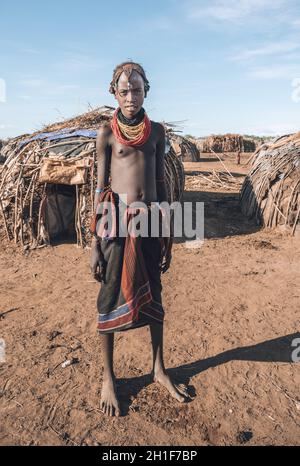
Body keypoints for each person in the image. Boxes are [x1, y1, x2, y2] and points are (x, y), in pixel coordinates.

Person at [90, 62, 190, 416]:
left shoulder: (158, 133)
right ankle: (108, 377)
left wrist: (167, 234)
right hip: (117, 224)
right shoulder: (107, 134)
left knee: (156, 299)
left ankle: (159, 368)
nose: (131, 96)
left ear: (147, 89)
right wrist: (96, 247)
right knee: (108, 298)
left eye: (137, 89)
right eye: (124, 89)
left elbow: (161, 185)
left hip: (150, 223)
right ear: (113, 92)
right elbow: (102, 189)